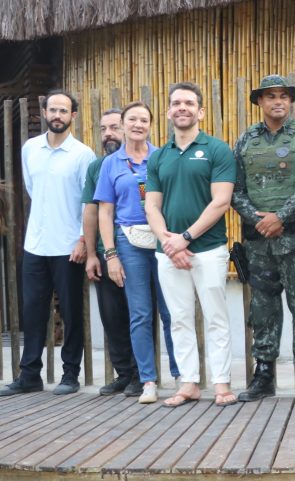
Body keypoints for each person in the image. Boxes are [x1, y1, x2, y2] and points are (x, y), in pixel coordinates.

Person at [145, 82, 236, 407]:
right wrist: (169, 243)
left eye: (188, 103)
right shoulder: (158, 157)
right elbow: (151, 206)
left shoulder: (217, 150)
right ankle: (189, 383)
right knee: (179, 318)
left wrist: (185, 239)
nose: (181, 108)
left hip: (208, 249)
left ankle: (222, 384)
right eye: (175, 103)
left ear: (200, 111)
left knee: (216, 317)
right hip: (168, 253)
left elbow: (221, 202)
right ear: (169, 112)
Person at [232, 75, 295, 402]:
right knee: (263, 307)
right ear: (260, 102)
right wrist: (260, 220)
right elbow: (236, 190)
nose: (278, 101)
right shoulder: (245, 140)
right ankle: (264, 373)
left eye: (284, 96)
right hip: (258, 242)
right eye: (270, 96)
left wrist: (280, 217)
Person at [1, 90, 95, 397]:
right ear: (44, 112)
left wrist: (82, 239)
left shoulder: (83, 154)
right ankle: (29, 375)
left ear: (73, 116)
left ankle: (70, 374)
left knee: (70, 312)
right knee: (32, 312)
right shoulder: (31, 149)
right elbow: (31, 187)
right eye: (52, 109)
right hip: (35, 245)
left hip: (69, 246)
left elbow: (88, 202)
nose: (57, 115)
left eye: (63, 111)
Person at [95, 102, 182, 404]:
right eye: (132, 119)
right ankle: (148, 380)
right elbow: (105, 212)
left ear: (151, 125)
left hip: (162, 240)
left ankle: (181, 375)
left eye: (144, 119)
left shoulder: (162, 157)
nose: (138, 124)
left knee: (172, 311)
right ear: (121, 124)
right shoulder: (111, 163)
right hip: (128, 241)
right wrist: (110, 254)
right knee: (140, 313)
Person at [82, 108, 140, 397]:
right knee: (112, 316)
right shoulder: (97, 167)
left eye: (115, 127)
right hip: (107, 254)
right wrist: (92, 253)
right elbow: (91, 212)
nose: (108, 134)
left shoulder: (147, 160)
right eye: (104, 129)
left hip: (140, 251)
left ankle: (142, 373)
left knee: (139, 315)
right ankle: (124, 374)